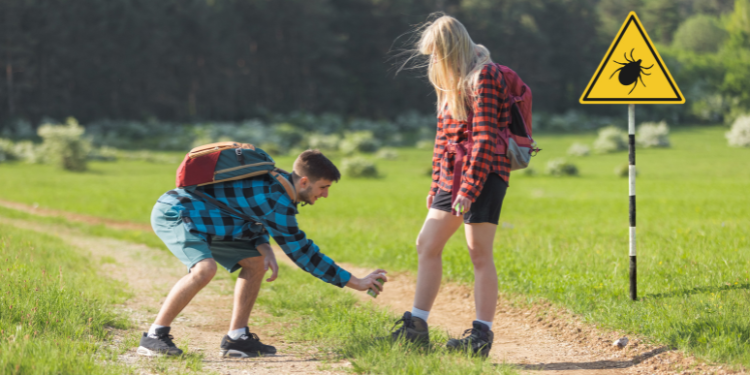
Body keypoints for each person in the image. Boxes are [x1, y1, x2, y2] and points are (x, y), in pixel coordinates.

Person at [137, 149, 387, 358]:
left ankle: (237, 339)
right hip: (177, 213)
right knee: (205, 269)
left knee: (256, 262)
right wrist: (356, 281)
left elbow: (243, 208)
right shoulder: (276, 199)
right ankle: (153, 336)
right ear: (303, 182)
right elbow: (303, 253)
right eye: (323, 187)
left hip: (211, 220)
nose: (325, 194)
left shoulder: (276, 181)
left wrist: (263, 244)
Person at [389, 15, 511, 357]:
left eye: (436, 54)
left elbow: (485, 139)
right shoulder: (451, 81)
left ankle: (480, 338)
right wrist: (437, 184)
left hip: (486, 174)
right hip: (453, 177)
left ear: (451, 50)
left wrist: (468, 190)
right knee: (427, 243)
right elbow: (443, 138)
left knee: (479, 253)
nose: (433, 62)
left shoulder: (485, 76)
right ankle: (416, 328)